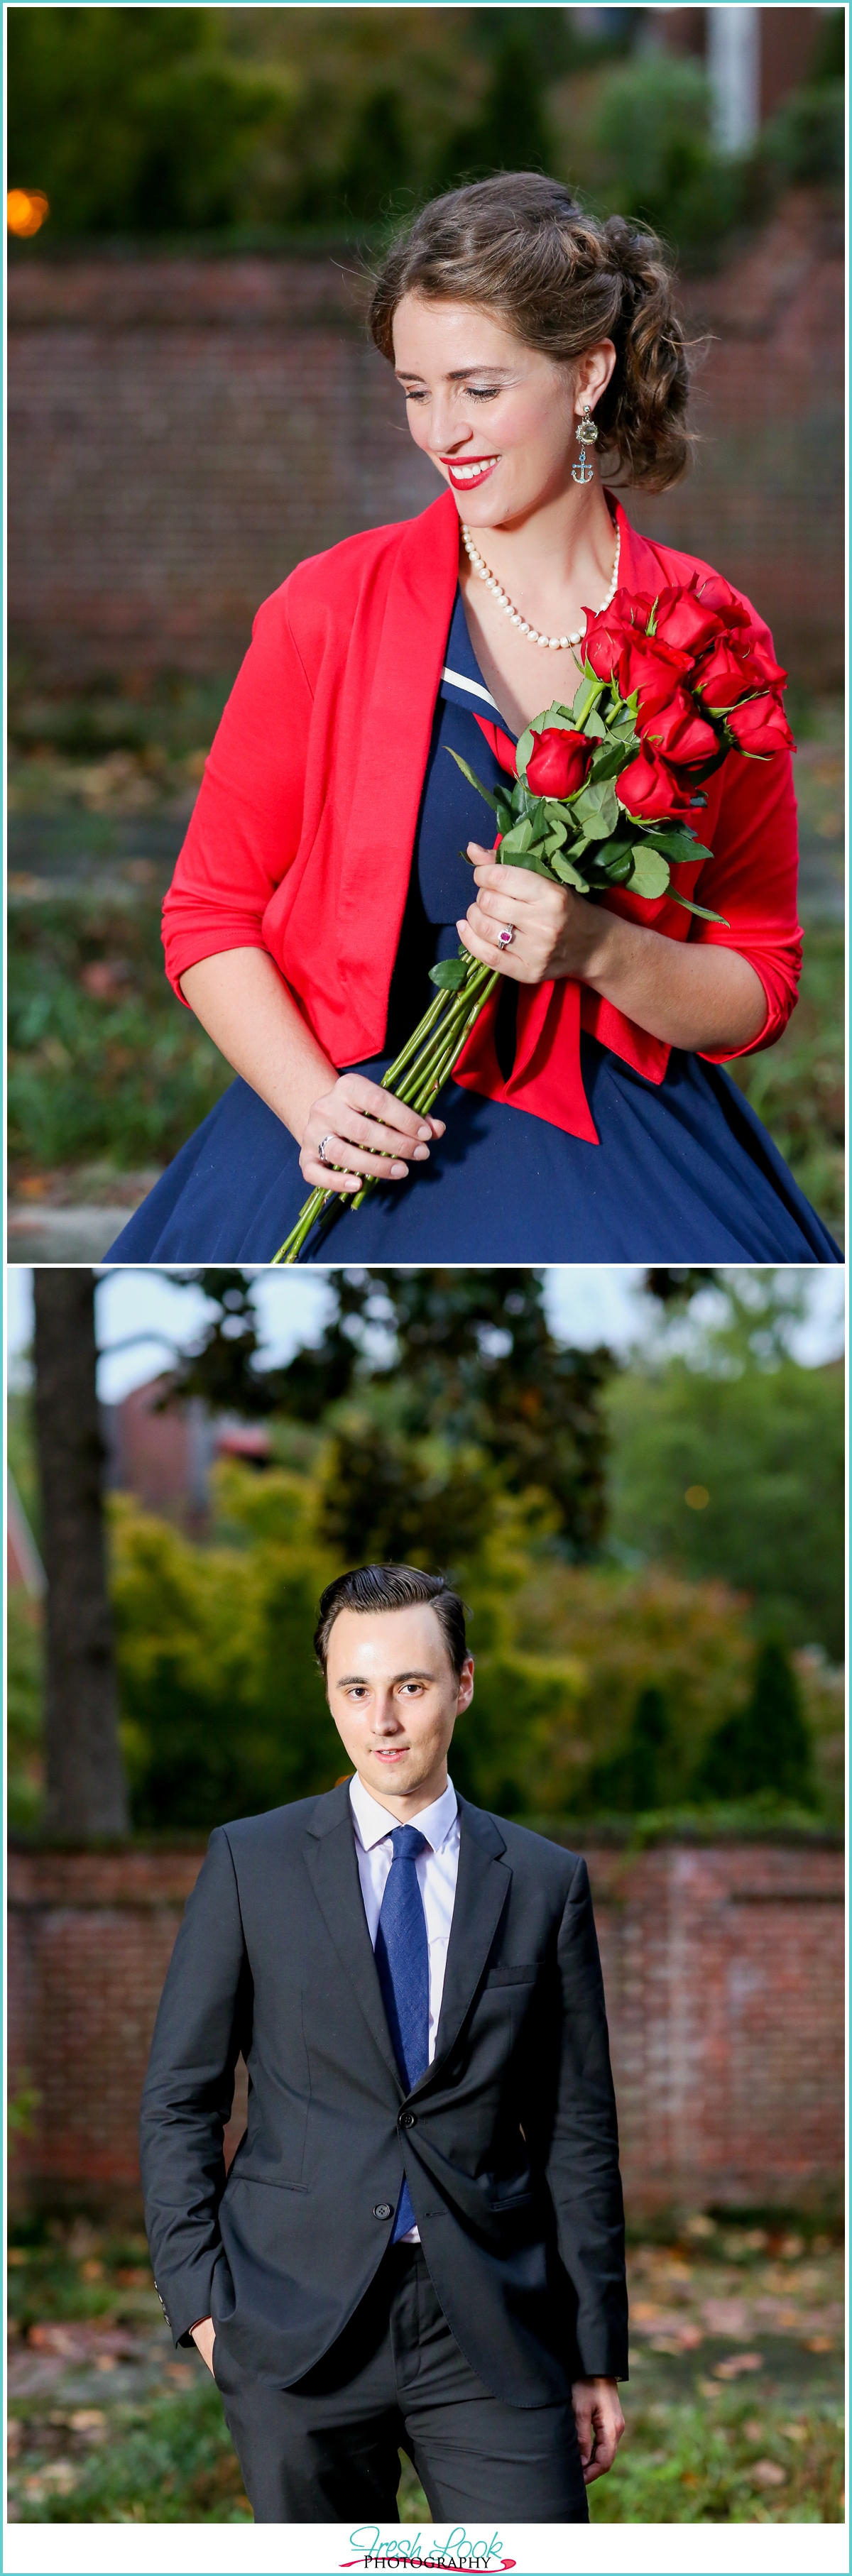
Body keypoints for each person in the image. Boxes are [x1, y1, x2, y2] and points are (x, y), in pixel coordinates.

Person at [107, 174, 839, 1264]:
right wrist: (312, 1104)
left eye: (478, 389)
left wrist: (601, 950)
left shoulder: (712, 639)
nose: (439, 431)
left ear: (587, 374)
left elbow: (760, 982)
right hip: (347, 1136)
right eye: (414, 390)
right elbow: (207, 913)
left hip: (618, 1145)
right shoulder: (326, 607)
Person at [140, 1562, 628, 2524]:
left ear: (463, 1684)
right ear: (327, 1691)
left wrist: (594, 2350)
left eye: (410, 1684)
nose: (383, 1719)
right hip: (292, 2320)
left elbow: (578, 2130)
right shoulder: (251, 1862)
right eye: (354, 1688)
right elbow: (179, 2097)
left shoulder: (541, 1880)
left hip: (491, 2323)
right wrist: (202, 2302)